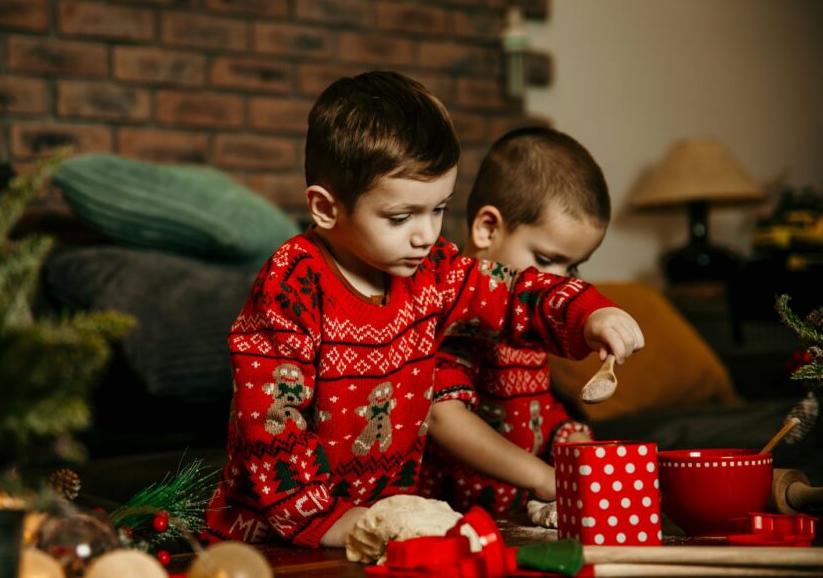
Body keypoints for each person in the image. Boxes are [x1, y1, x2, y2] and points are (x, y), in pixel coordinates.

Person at [200, 72, 643, 548]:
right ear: (326, 209)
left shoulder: (435, 270)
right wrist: (331, 521)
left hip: (390, 524)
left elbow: (511, 292)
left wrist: (586, 313)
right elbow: (271, 422)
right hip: (278, 536)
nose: (426, 234)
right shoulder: (293, 284)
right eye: (400, 217)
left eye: (438, 209)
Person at [419, 127, 615, 518]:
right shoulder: (456, 314)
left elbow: (535, 410)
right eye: (545, 260)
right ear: (488, 229)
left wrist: (570, 439)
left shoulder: (528, 326)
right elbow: (442, 416)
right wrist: (542, 478)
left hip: (514, 514)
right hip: (452, 517)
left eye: (573, 266)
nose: (562, 281)